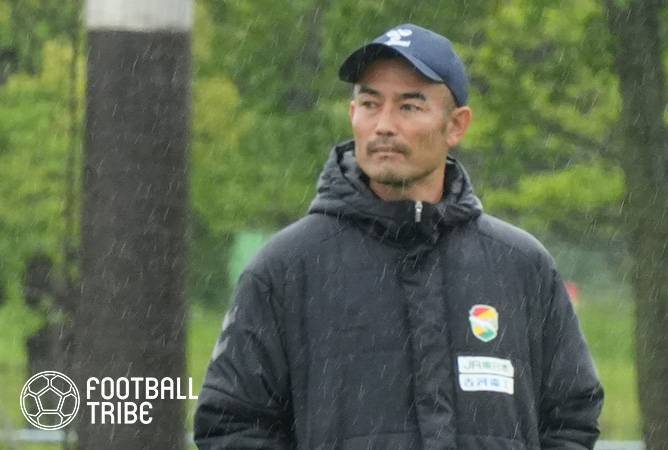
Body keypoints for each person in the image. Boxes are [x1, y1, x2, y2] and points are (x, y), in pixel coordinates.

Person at [194, 23, 603, 449]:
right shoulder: (285, 268)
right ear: (352, 113)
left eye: (409, 106)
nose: (384, 125)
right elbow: (231, 425)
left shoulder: (520, 266)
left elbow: (572, 415)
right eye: (370, 104)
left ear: (456, 125)